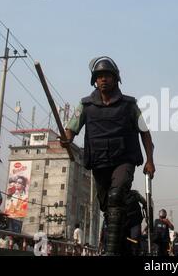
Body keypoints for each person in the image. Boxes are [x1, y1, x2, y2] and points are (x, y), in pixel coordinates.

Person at [63, 56, 155, 255]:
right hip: (100, 162)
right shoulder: (85, 106)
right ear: (94, 80)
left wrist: (150, 160)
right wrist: (66, 138)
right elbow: (72, 129)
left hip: (124, 160)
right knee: (108, 206)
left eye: (107, 76)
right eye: (99, 76)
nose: (103, 79)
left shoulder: (130, 105)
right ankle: (121, 243)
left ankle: (111, 252)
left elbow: (145, 133)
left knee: (115, 196)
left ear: (116, 79)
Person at [125, 189, 147, 255]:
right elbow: (144, 202)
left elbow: (144, 202)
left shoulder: (134, 194)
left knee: (134, 242)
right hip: (126, 223)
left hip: (134, 222)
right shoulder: (134, 194)